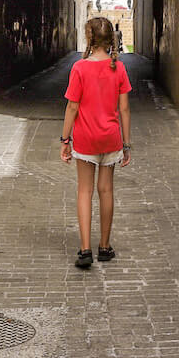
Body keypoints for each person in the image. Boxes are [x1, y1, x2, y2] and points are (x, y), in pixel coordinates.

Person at [60, 16, 132, 269]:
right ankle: (104, 246)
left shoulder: (80, 68)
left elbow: (72, 106)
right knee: (106, 191)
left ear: (89, 38)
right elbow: (124, 109)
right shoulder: (119, 68)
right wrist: (126, 143)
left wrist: (65, 139)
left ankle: (85, 250)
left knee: (84, 191)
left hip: (85, 138)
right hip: (110, 138)